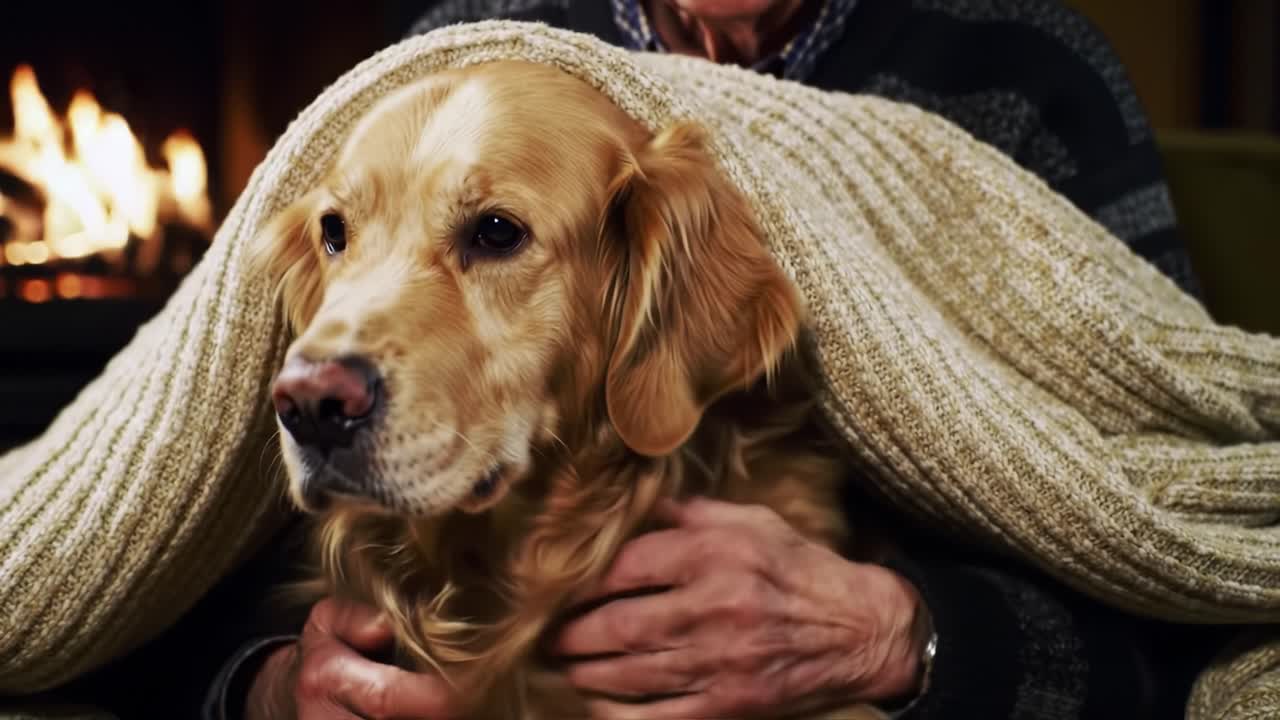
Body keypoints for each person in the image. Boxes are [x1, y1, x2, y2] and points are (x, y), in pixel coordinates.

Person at [60, 1, 1213, 718]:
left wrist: (894, 635)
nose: (329, 366)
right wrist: (267, 687)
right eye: (342, 236)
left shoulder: (1024, 71)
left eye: (494, 234)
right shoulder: (443, 51)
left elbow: (1169, 556)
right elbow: (164, 562)